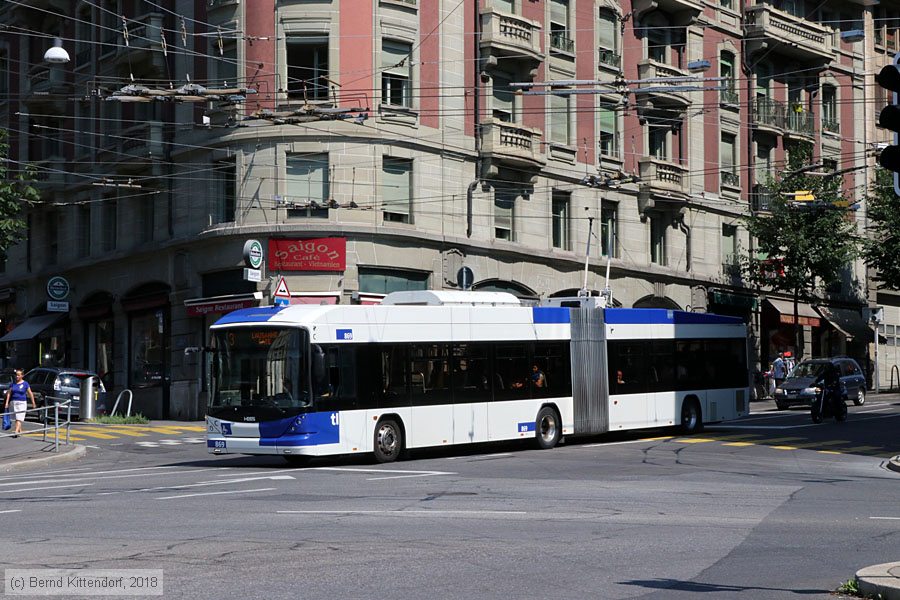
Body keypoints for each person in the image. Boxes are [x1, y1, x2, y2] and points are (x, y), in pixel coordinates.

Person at [4, 369, 36, 438]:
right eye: (16, 375)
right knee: (16, 417)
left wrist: (33, 403)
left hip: (22, 403)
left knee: (19, 418)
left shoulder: (25, 384)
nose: (17, 376)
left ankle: (16, 431)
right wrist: (7, 403)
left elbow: (30, 393)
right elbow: (9, 393)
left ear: (22, 375)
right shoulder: (13, 384)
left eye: (18, 375)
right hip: (13, 402)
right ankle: (20, 431)